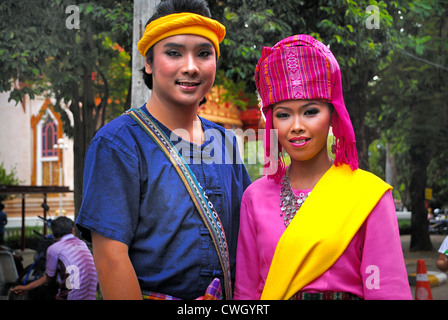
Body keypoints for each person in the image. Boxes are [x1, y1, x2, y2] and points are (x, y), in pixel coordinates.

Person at [76, 0, 250, 300]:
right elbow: (110, 260)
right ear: (148, 62)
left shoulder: (226, 143)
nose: (191, 67)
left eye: (204, 54)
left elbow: (248, 236)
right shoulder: (118, 143)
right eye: (173, 53)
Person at [234, 34, 412, 300]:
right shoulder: (254, 197)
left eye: (310, 112)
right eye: (283, 114)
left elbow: (387, 289)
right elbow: (246, 294)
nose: (296, 126)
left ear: (332, 115)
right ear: (272, 123)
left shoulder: (368, 195)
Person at [11, 217, 97, 300]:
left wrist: (25, 288)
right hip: (90, 296)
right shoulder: (82, 244)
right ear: (72, 230)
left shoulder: (54, 248)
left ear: (53, 234)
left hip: (71, 297)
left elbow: (49, 279)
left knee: (43, 292)